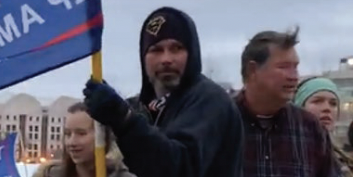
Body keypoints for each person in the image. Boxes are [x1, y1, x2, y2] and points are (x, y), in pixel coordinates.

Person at [83, 6, 244, 177]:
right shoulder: (146, 108)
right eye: (156, 50)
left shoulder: (209, 101)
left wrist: (124, 120)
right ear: (143, 58)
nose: (166, 59)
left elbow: (180, 167)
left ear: (192, 54)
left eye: (176, 48)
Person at [233, 27, 341, 176]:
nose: (294, 76)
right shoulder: (218, 121)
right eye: (283, 67)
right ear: (253, 70)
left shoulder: (309, 128)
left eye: (295, 67)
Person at [32, 102, 135, 177]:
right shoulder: (50, 175)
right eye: (68, 134)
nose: (71, 142)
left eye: (81, 133)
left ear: (102, 136)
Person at [294, 77, 353, 176]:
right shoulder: (291, 153)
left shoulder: (343, 159)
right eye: (317, 101)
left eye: (333, 104)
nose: (327, 108)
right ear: (299, 106)